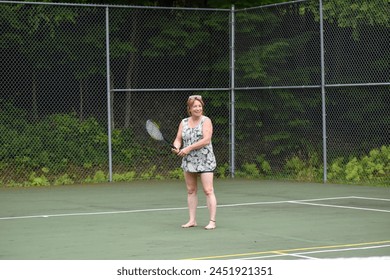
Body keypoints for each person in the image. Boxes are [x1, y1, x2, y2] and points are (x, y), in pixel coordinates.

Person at [172, 95, 217, 230]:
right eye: (195, 106)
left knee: (208, 190)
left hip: (205, 159)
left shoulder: (206, 121)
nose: (198, 108)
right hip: (189, 160)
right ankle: (192, 220)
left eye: (199, 106)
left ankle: (212, 221)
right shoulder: (184, 122)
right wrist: (177, 146)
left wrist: (188, 148)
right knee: (191, 190)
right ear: (189, 109)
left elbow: (206, 140)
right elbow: (178, 139)